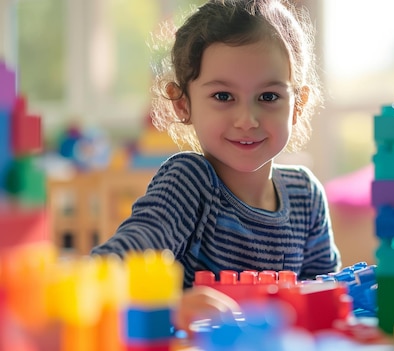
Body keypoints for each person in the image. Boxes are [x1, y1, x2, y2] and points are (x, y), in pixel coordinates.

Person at [91, 0, 340, 332]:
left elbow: (328, 300)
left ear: (298, 105)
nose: (247, 120)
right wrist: (166, 309)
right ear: (183, 104)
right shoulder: (188, 181)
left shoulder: (306, 195)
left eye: (268, 97)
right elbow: (111, 268)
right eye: (223, 96)